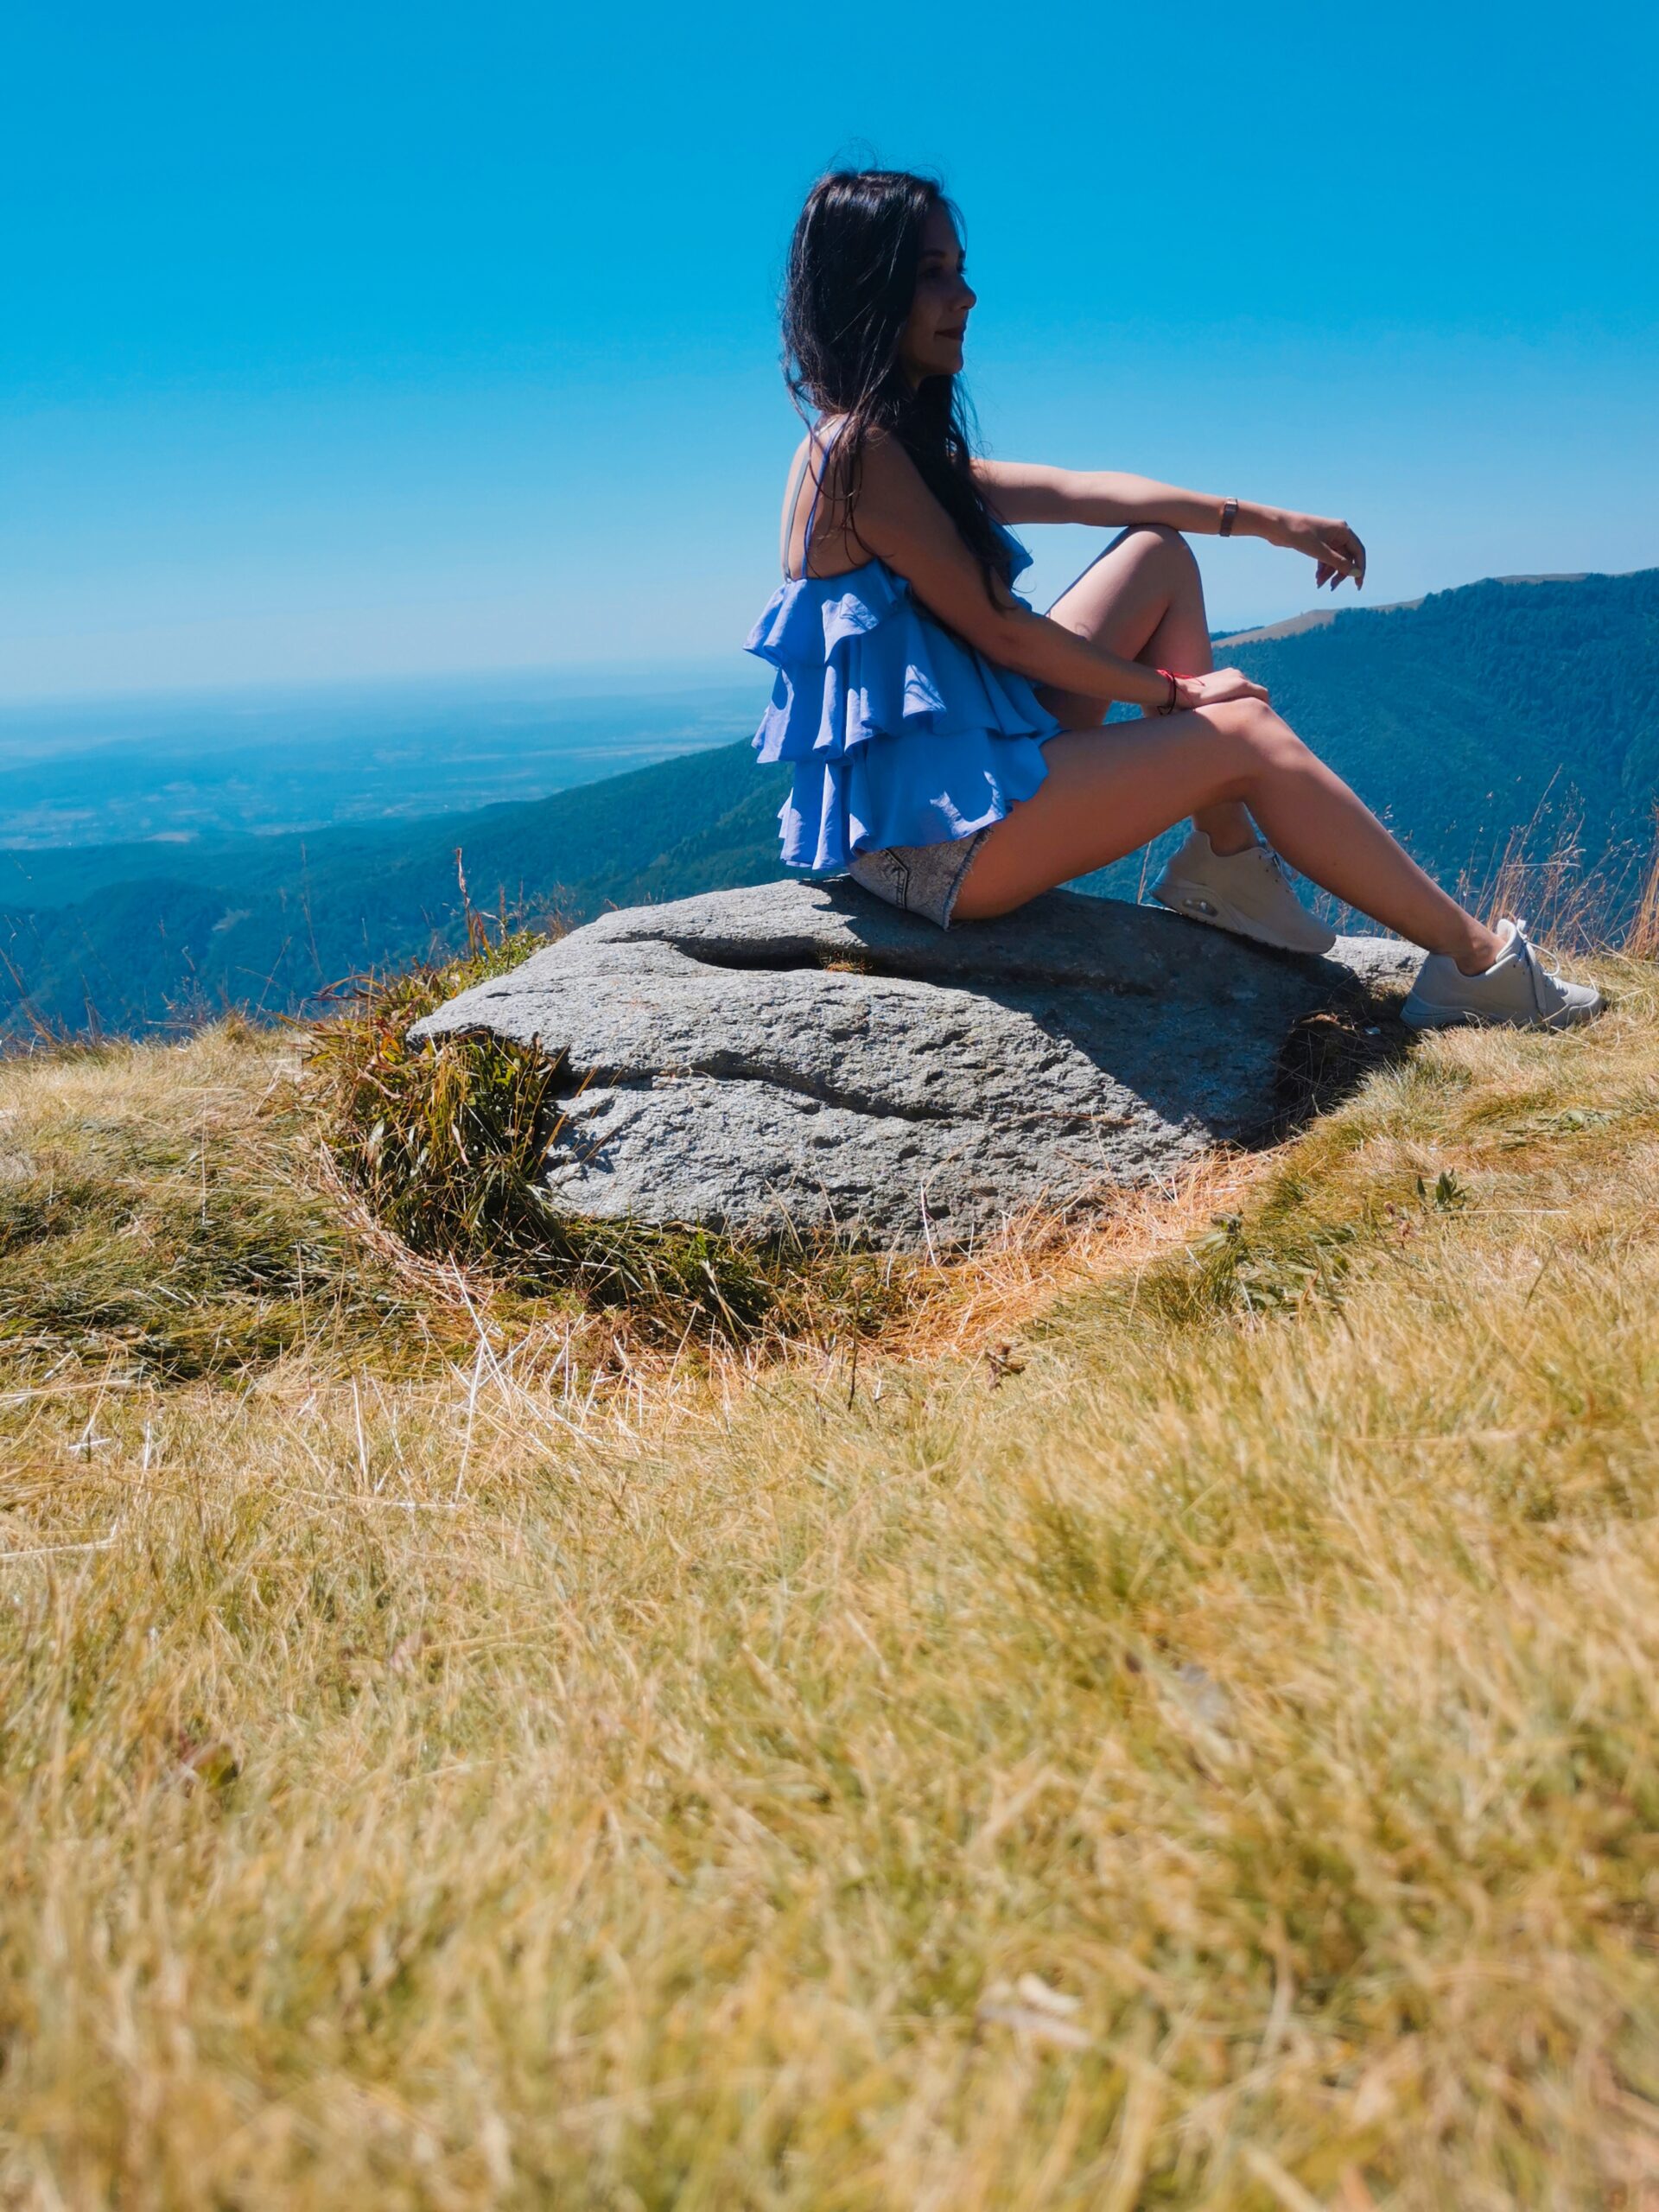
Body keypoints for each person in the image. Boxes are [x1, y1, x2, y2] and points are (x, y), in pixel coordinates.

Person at [745, 168, 1599, 1032]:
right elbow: (1005, 632)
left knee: (1160, 556)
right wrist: (1182, 698)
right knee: (1244, 734)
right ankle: (1479, 966)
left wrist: (1272, 522)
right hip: (935, 849)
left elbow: (1086, 492)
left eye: (959, 267)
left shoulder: (885, 447)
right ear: (868, 288)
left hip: (949, 789)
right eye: (931, 272)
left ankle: (1225, 857)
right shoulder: (857, 455)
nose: (965, 294)